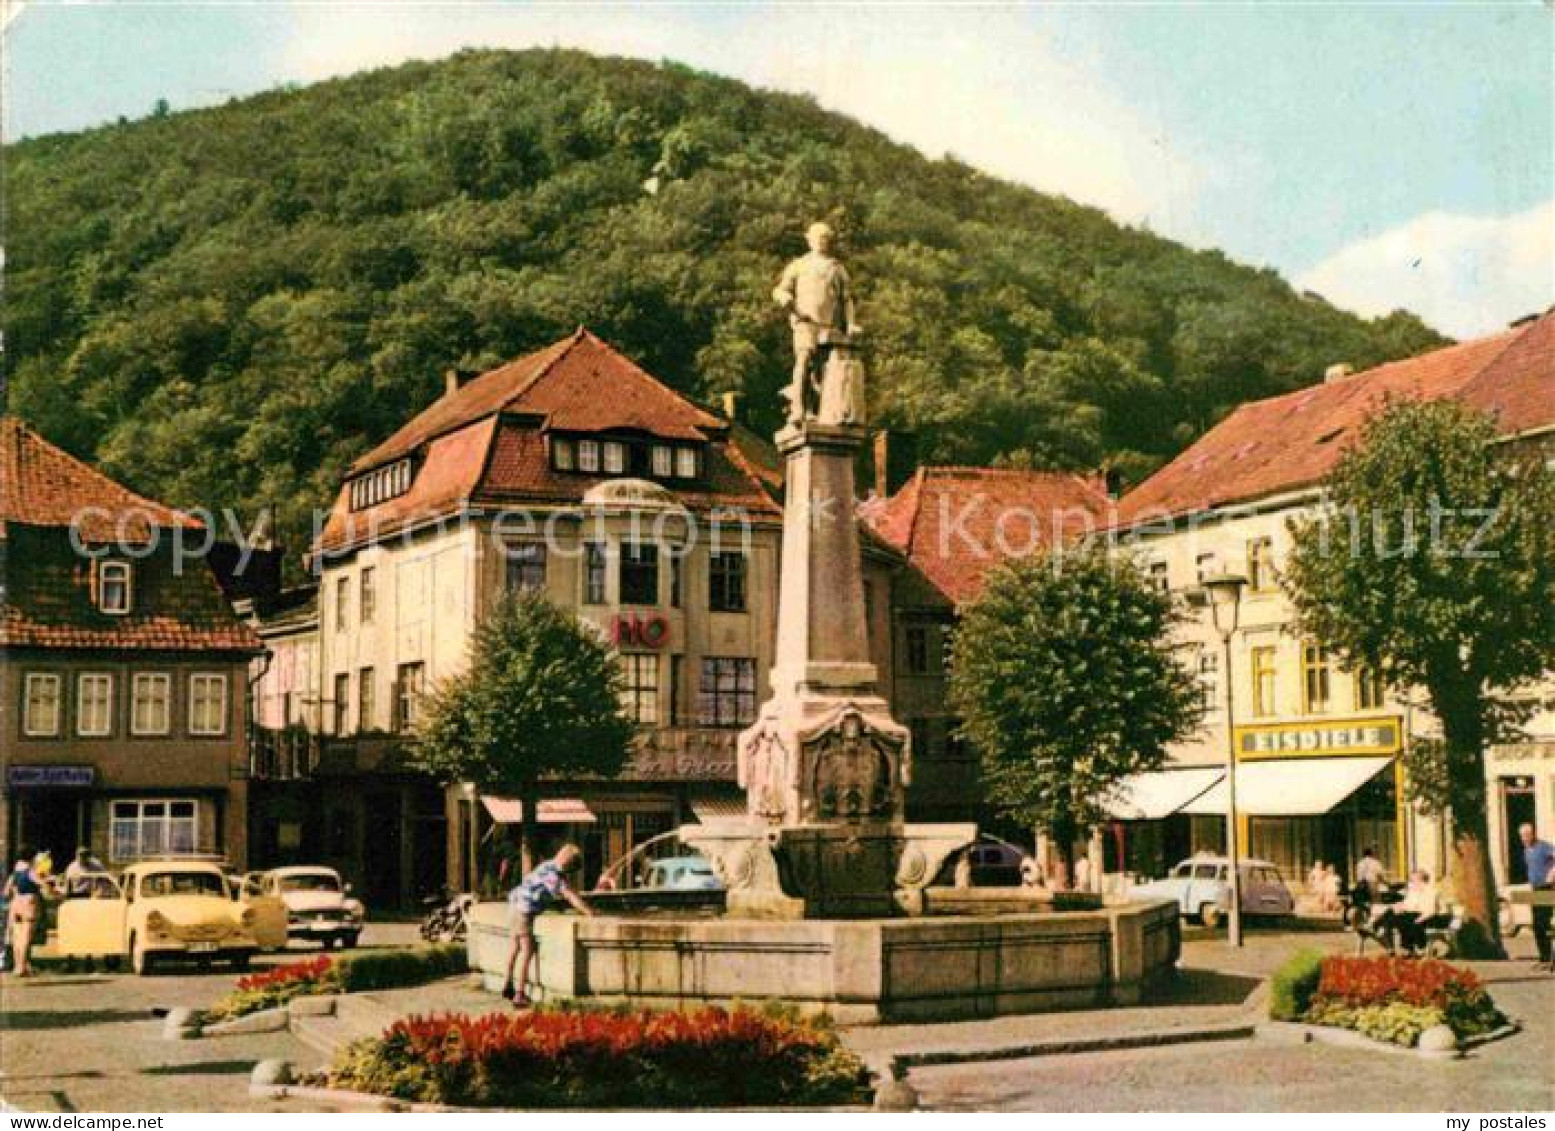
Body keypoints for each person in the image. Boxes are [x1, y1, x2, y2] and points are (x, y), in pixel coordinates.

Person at [501, 845, 594, 1008]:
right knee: (527, 951)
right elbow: (570, 895)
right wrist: (589, 912)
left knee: (513, 948)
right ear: (568, 864)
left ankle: (507, 983)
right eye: (573, 869)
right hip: (524, 910)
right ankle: (520, 993)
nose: (571, 874)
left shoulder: (546, 865)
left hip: (514, 905)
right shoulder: (555, 875)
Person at [1373, 869, 1441, 954]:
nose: (1410, 883)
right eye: (1411, 881)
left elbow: (1431, 910)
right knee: (1391, 913)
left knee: (1395, 917)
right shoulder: (1414, 891)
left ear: (1421, 880)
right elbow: (1408, 904)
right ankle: (1390, 945)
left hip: (1425, 917)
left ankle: (1377, 927)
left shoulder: (1431, 891)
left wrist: (1418, 920)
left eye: (1413, 880)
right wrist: (1399, 906)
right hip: (1411, 915)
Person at [4, 847, 44, 977]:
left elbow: (6, 891)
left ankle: (17, 966)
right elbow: (42, 884)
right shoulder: (31, 871)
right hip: (29, 904)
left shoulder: (15, 872)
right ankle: (23, 967)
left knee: (17, 937)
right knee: (26, 937)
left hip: (15, 904)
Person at [1519, 823, 1554, 968]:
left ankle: (1549, 957)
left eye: (1527, 835)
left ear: (1533, 834)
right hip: (1534, 889)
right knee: (1536, 924)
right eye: (1522, 836)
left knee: (1544, 922)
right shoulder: (1526, 850)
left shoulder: (1543, 846)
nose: (1525, 838)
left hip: (1546, 888)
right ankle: (1544, 957)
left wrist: (1552, 874)